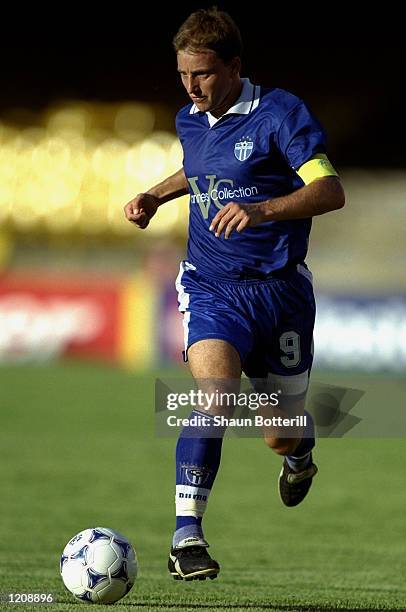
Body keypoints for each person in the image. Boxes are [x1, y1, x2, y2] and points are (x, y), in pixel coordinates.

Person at [124, 7, 345, 582]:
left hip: (281, 294)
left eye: (201, 74)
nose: (191, 88)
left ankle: (300, 457)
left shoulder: (281, 113)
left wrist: (262, 208)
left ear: (234, 66)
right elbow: (197, 169)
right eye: (181, 76)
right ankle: (186, 534)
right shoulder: (189, 118)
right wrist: (154, 194)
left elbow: (330, 189)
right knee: (217, 394)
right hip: (211, 285)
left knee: (279, 430)